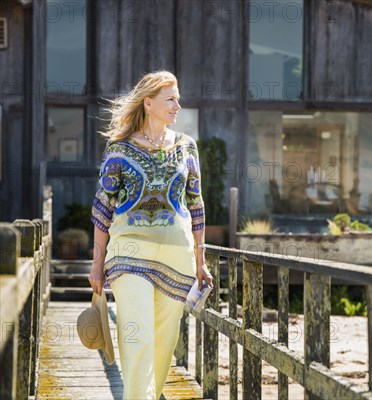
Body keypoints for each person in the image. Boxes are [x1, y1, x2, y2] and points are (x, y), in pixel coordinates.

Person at [88, 70, 213, 400]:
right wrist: (97, 264)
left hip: (178, 259)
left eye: (179, 99)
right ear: (148, 102)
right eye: (171, 99)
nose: (178, 106)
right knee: (137, 335)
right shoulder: (119, 149)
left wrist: (201, 261)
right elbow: (102, 209)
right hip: (129, 255)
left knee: (163, 343)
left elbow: (196, 205)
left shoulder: (187, 146)